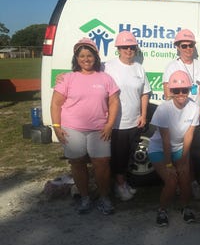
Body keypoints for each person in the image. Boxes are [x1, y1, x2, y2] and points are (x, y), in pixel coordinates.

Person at [50, 38, 120, 215]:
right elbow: (56, 104)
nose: (86, 59)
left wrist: (110, 124)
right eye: (81, 56)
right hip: (72, 128)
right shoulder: (67, 78)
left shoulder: (105, 78)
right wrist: (57, 126)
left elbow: (114, 102)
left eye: (89, 55)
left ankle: (104, 198)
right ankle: (85, 198)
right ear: (76, 58)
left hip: (99, 129)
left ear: (95, 57)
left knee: (102, 163)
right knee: (78, 163)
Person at [148, 70, 199, 227]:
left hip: (179, 148)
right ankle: (162, 210)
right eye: (176, 90)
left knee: (185, 178)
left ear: (189, 90)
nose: (181, 93)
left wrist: (183, 159)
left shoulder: (194, 107)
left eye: (184, 89)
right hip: (159, 149)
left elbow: (189, 136)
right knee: (171, 180)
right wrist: (169, 164)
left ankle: (186, 207)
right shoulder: (163, 109)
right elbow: (165, 139)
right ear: (171, 91)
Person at [104, 31, 150, 201]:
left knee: (129, 154)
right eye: (125, 47)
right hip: (117, 122)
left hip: (134, 120)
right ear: (118, 48)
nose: (128, 50)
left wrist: (143, 115)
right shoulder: (107, 67)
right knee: (118, 156)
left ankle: (122, 183)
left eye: (132, 47)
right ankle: (120, 186)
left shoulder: (139, 68)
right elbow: (87, 72)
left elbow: (145, 93)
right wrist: (64, 77)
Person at [162, 29, 200, 199]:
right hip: (178, 116)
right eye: (184, 45)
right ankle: (184, 182)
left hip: (195, 116)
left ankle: (190, 181)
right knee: (178, 150)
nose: (188, 48)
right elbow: (167, 94)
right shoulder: (172, 66)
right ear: (178, 47)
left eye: (191, 45)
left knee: (191, 151)